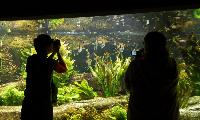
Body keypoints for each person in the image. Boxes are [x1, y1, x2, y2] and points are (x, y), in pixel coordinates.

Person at [124, 31, 179, 120]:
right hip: (168, 114)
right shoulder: (172, 64)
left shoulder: (136, 65)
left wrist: (138, 59)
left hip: (141, 114)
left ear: (146, 45)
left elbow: (128, 87)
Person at [21, 34, 67, 120]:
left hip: (29, 102)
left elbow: (43, 62)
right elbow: (63, 69)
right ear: (47, 46)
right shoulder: (51, 63)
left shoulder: (31, 60)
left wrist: (53, 52)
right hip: (44, 103)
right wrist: (57, 52)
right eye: (51, 44)